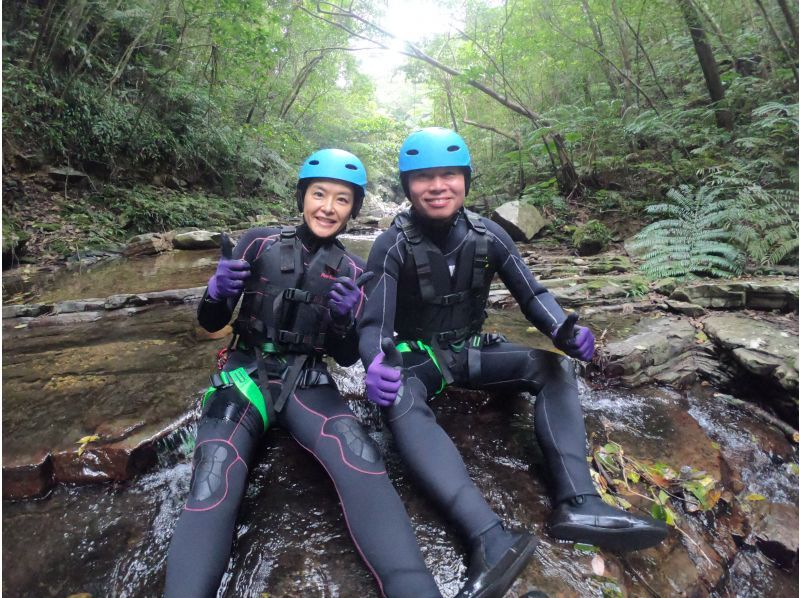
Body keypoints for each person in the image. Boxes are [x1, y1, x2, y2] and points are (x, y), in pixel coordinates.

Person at [359, 128, 668, 598]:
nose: (437, 186)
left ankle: (579, 504)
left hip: (472, 350)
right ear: (407, 186)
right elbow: (373, 323)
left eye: (449, 175)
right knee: (398, 392)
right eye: (423, 178)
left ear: (465, 181)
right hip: (421, 359)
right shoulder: (391, 245)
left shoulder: (489, 234)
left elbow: (532, 294)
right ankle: (490, 537)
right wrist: (375, 363)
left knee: (554, 368)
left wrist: (563, 330)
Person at [165, 149, 442, 598]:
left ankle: (414, 589)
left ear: (353, 209)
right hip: (243, 374)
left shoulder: (354, 270)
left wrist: (342, 321)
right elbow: (211, 321)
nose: (328, 208)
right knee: (213, 475)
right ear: (302, 197)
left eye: (341, 200)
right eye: (319, 194)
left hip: (308, 382)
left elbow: (347, 357)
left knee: (361, 456)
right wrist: (216, 291)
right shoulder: (258, 243)